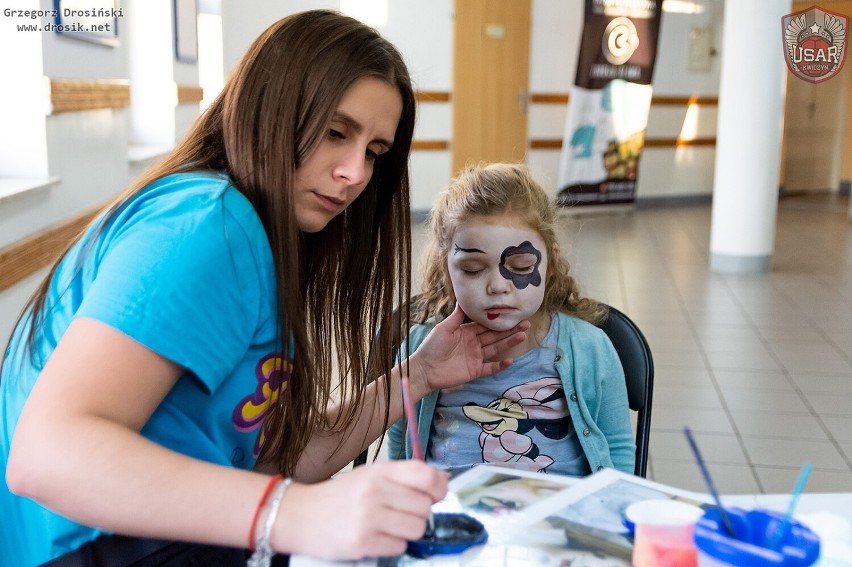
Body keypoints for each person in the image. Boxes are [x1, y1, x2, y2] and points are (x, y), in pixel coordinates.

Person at [0, 11, 528, 566]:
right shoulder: (209, 226)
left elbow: (273, 468)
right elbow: (47, 454)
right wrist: (295, 514)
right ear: (271, 108)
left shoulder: (260, 235)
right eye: (334, 133)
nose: (354, 172)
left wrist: (417, 375)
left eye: (374, 152)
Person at [388, 163, 635, 477]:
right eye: (473, 269)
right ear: (445, 268)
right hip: (452, 518)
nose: (497, 286)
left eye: (520, 266)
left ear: (551, 263)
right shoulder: (421, 349)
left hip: (554, 519)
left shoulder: (591, 350)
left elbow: (618, 451)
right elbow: (400, 445)